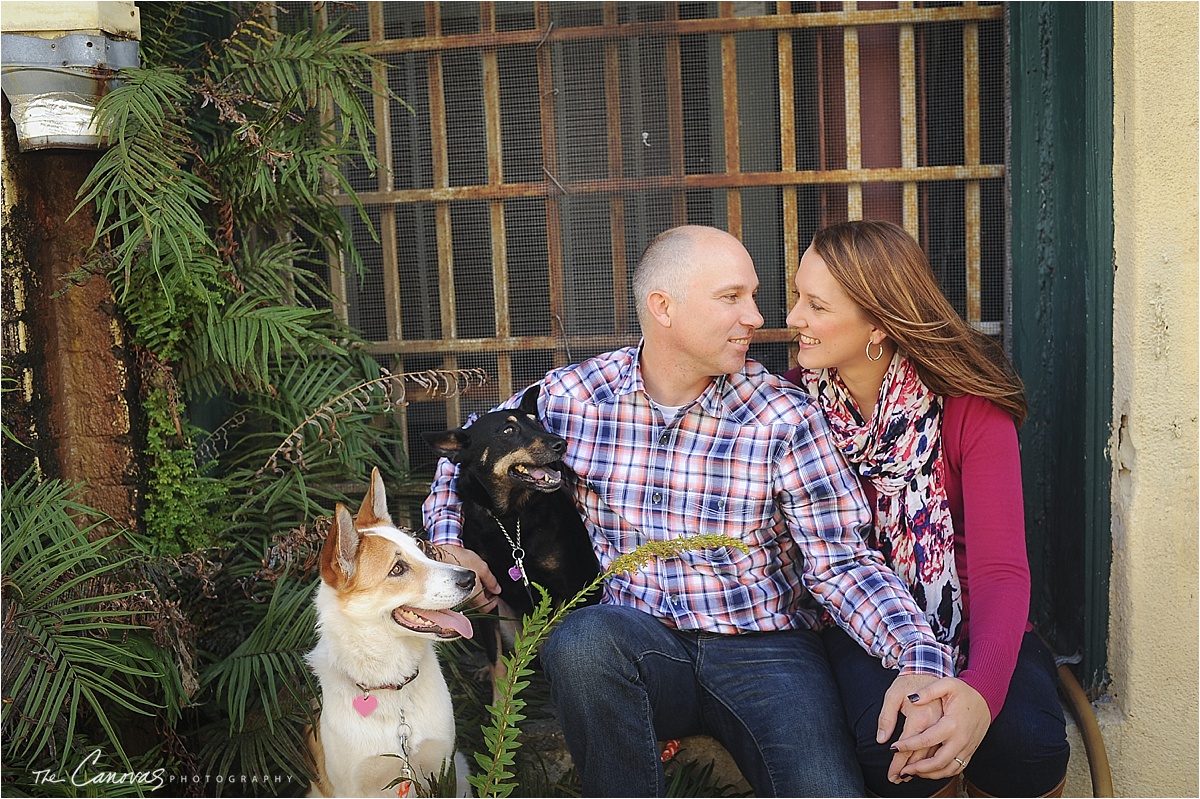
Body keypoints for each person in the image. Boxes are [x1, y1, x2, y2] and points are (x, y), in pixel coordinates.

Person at [423, 224, 955, 798]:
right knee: (582, 639)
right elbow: (468, 454)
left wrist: (920, 659)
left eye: (753, 296)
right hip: (640, 644)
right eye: (732, 298)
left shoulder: (782, 416)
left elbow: (843, 562)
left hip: (769, 654)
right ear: (663, 307)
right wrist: (451, 543)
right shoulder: (575, 399)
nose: (755, 316)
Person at [782, 219, 1070, 798]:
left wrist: (979, 698)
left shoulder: (970, 409)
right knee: (899, 747)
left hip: (968, 617)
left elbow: (1000, 571)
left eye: (815, 304)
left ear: (879, 325)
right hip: (861, 622)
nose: (792, 319)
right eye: (797, 297)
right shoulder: (793, 406)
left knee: (1027, 747)